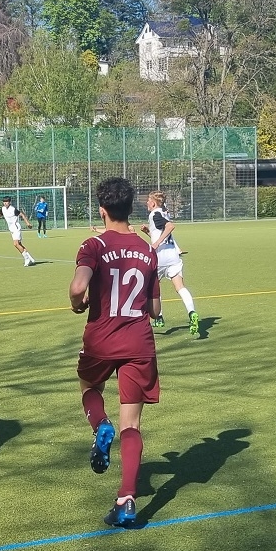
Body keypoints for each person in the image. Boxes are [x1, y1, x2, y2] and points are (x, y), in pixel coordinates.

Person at [70, 177, 161, 528]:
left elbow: (78, 286)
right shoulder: (147, 250)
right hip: (139, 342)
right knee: (133, 424)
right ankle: (126, 500)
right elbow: (155, 309)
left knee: (89, 386)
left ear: (102, 210)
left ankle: (100, 424)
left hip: (102, 338)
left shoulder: (93, 244)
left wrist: (78, 303)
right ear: (131, 208)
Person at [139, 191, 200, 336]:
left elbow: (170, 227)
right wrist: (148, 232)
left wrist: (156, 244)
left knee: (153, 287)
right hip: (173, 255)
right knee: (180, 287)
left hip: (160, 257)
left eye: (148, 200)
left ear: (153, 203)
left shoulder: (154, 214)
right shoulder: (164, 213)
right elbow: (162, 233)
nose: (147, 202)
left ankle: (159, 317)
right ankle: (192, 312)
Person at [0, 197, 36, 266]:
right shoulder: (2, 209)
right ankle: (31, 259)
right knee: (19, 244)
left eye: (7, 202)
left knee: (16, 244)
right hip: (11, 229)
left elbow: (22, 215)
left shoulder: (13, 209)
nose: (5, 203)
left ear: (10, 202)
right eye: (4, 202)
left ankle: (27, 259)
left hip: (16, 228)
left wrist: (28, 223)